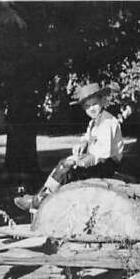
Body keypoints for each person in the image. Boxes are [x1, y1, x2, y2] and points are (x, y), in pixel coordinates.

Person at [14, 82, 125, 211]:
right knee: (64, 164)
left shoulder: (107, 122)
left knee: (66, 168)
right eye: (87, 106)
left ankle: (39, 201)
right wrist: (83, 143)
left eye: (94, 104)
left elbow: (104, 152)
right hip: (98, 161)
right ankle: (41, 197)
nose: (91, 109)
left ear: (102, 101)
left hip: (107, 165)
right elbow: (88, 138)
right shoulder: (94, 122)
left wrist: (83, 161)